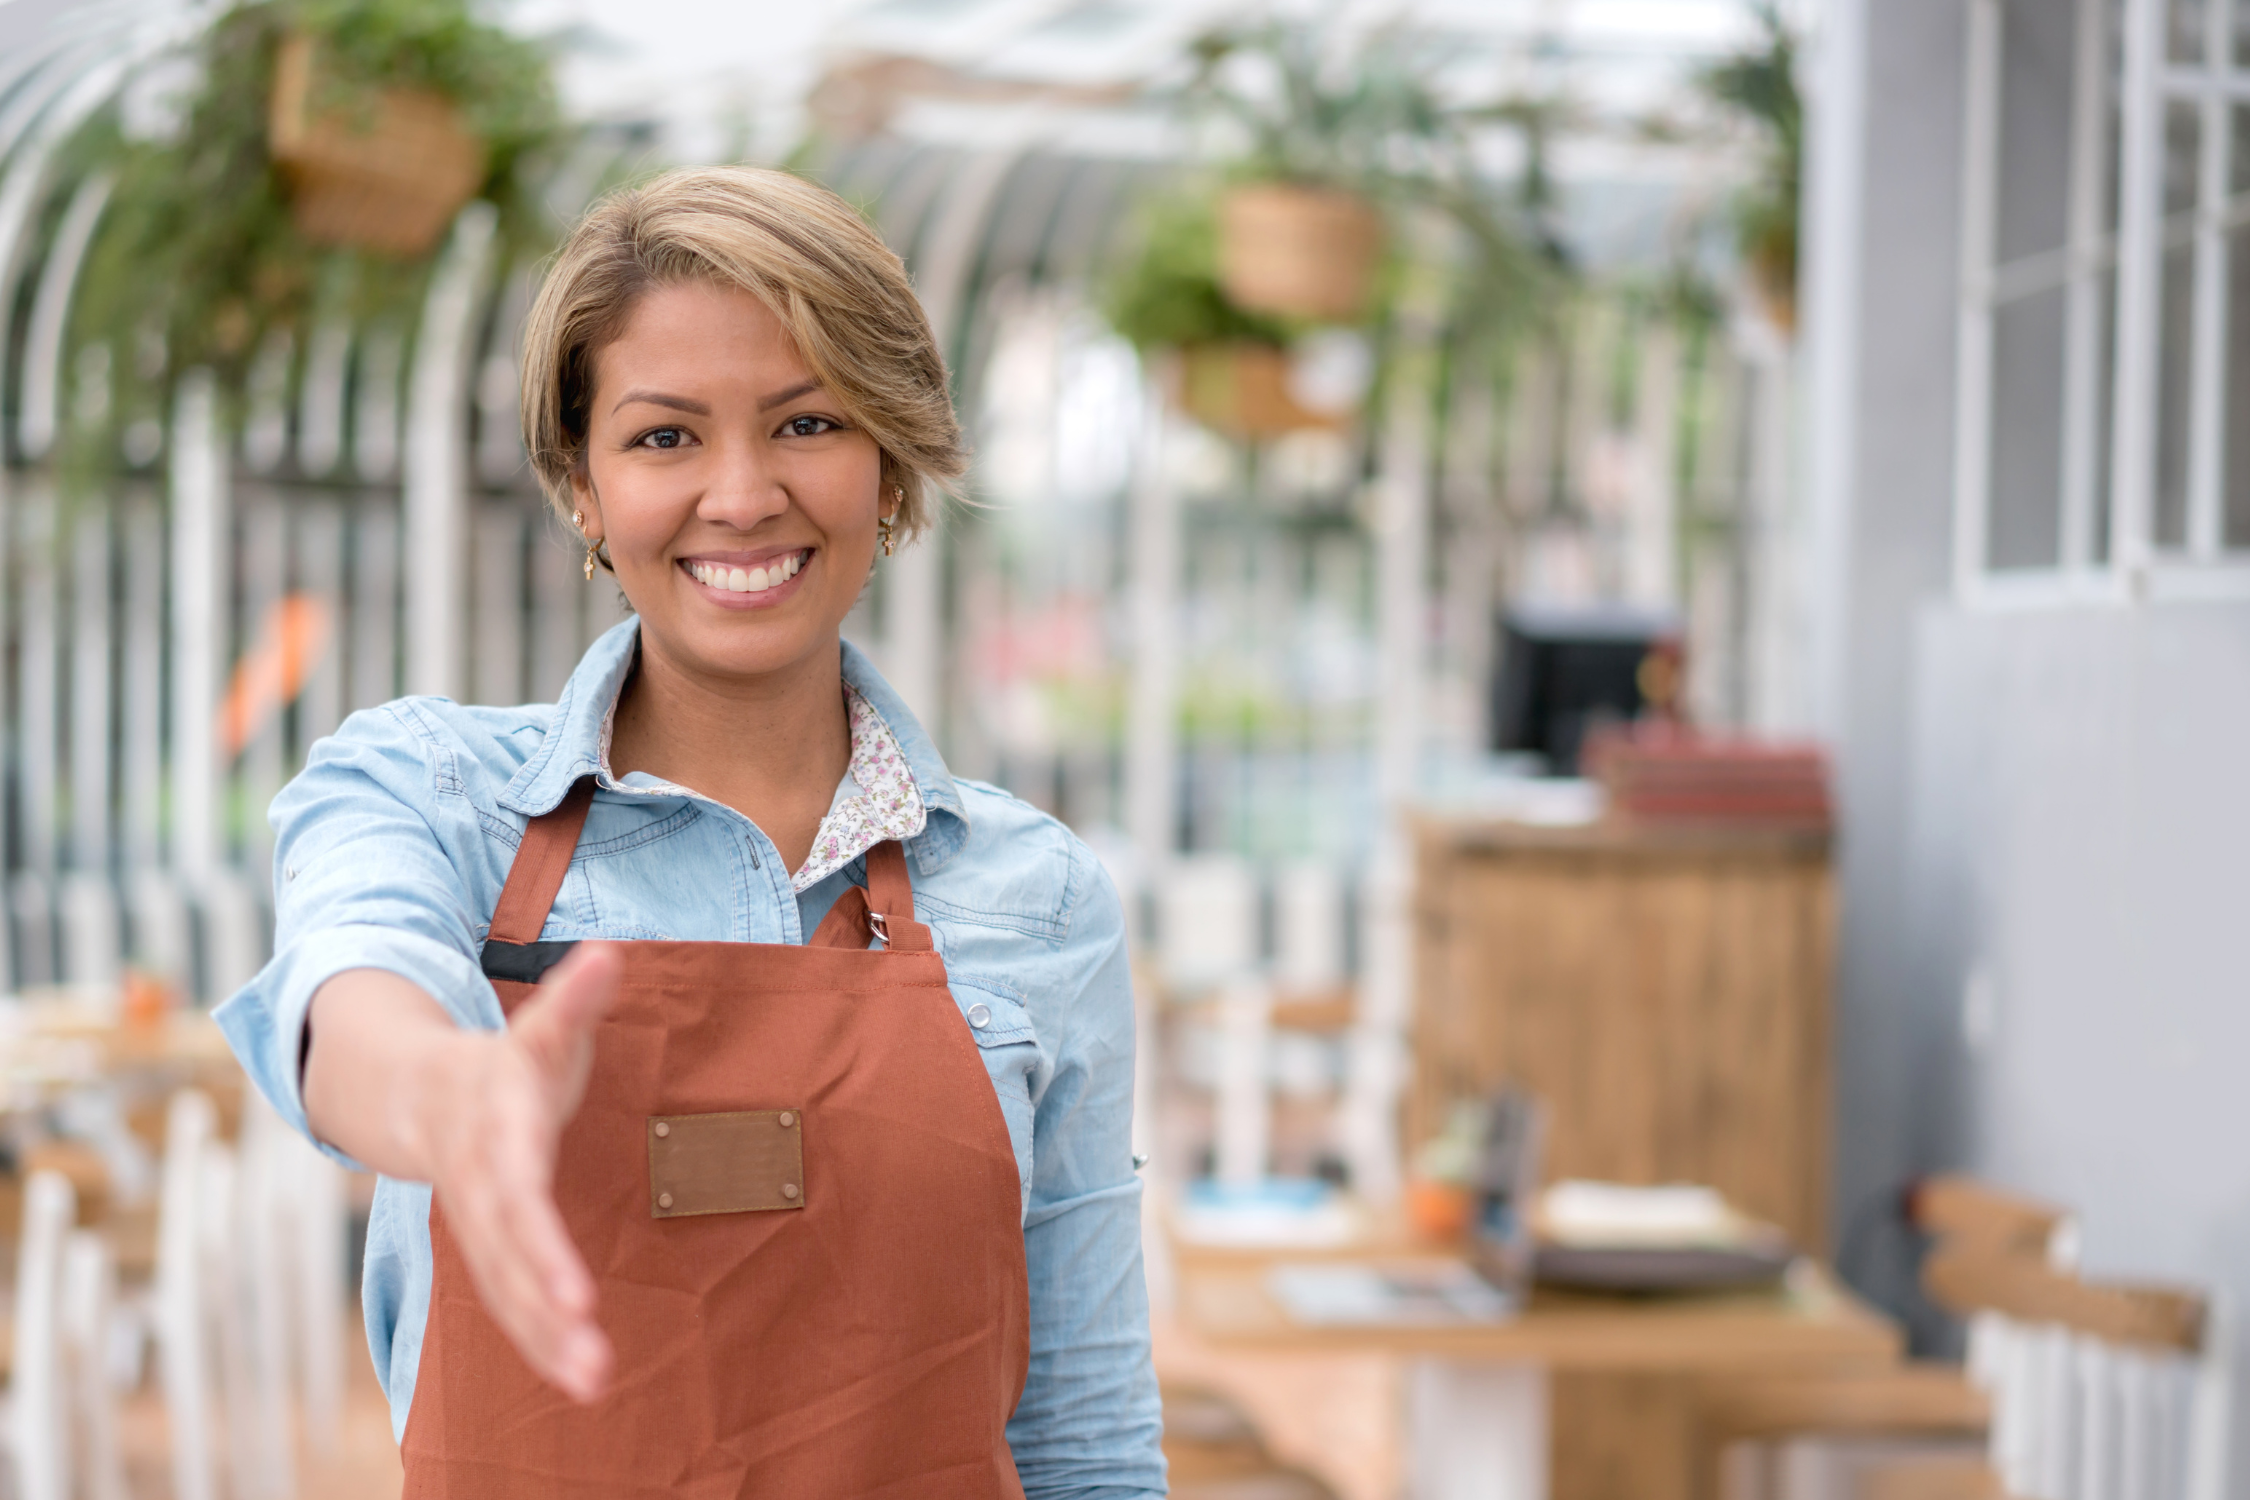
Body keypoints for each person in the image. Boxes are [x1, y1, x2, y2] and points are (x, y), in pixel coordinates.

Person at [215, 165, 1165, 1498]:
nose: (740, 495)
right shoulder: (434, 793)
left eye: (807, 423)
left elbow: (1084, 1431)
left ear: (888, 465)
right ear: (582, 487)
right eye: (664, 438)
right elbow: (350, 978)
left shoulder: (1033, 897)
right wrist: (453, 1099)